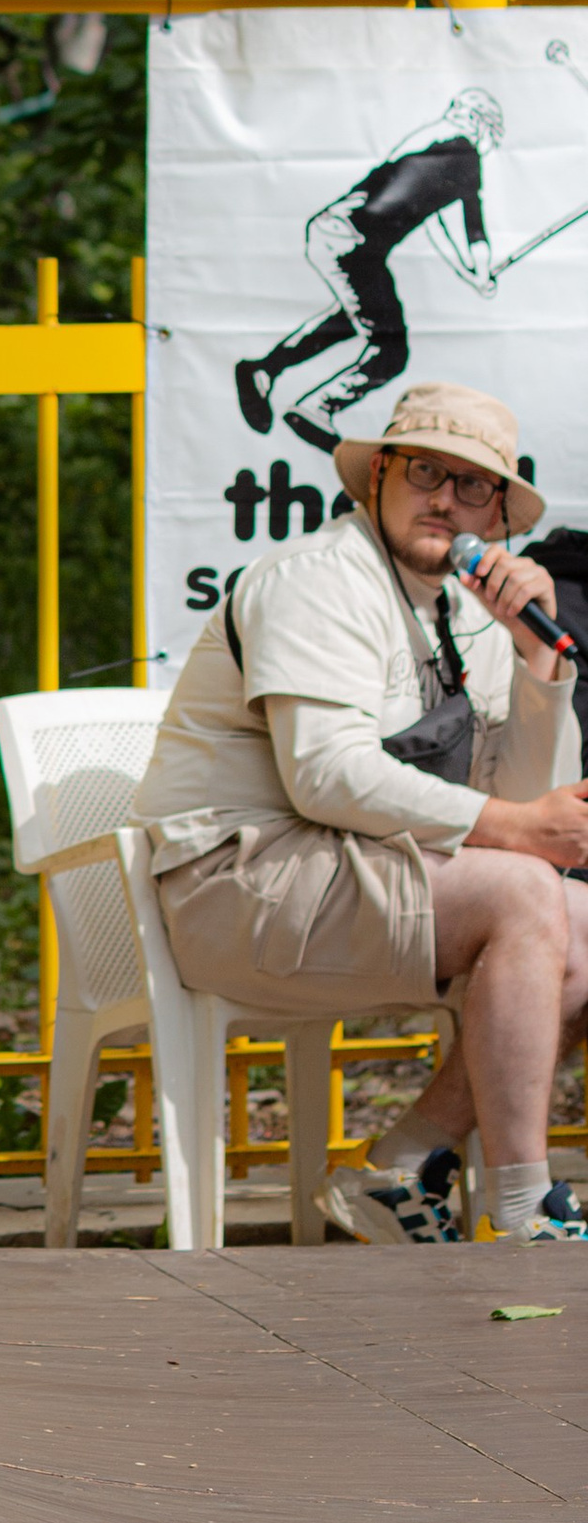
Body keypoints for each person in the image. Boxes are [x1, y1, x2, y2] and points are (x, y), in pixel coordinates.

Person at [131, 383, 588, 1247]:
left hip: (350, 874)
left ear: (496, 513)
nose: (446, 500)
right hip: (237, 885)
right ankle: (525, 1211)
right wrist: (519, 829)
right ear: (378, 476)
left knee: (581, 920)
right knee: (526, 894)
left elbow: (521, 794)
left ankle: (398, 1167)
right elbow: (325, 777)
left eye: (473, 484)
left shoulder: (472, 612)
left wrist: (535, 654)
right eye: (425, 472)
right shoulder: (316, 579)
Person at [233, 92, 504, 453]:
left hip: (338, 234)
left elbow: (435, 224)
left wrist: (470, 274)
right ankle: (316, 408)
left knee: (350, 320)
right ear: (480, 125)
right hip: (353, 245)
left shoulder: (432, 145)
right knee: (390, 349)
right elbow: (474, 230)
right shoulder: (464, 156)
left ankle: (265, 369)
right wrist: (481, 272)